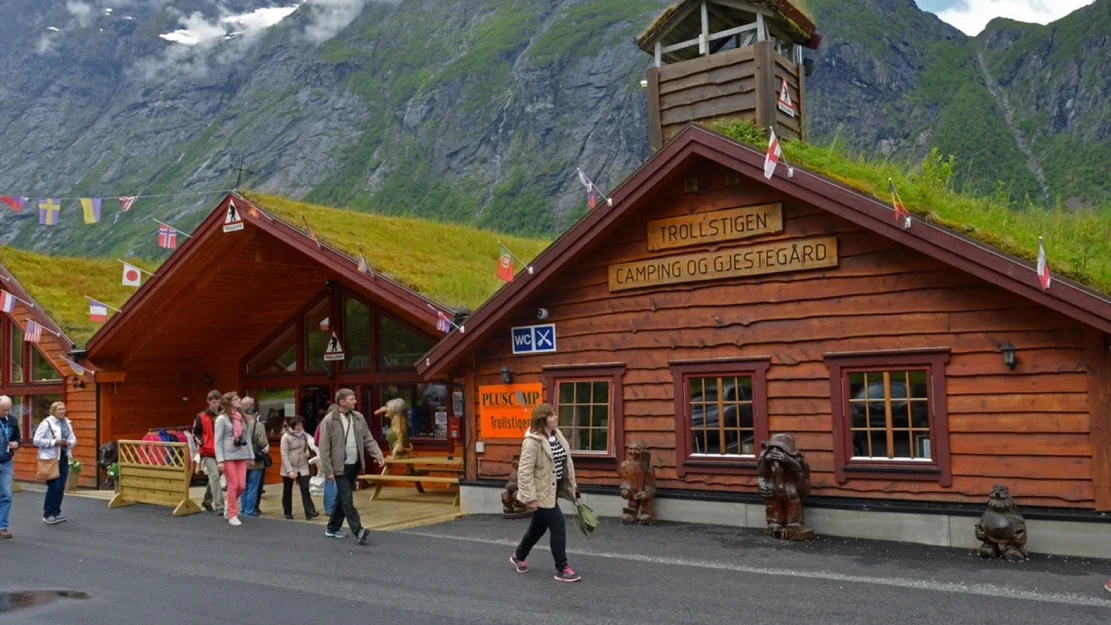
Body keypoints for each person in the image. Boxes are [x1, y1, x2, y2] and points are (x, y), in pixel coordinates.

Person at [510, 403, 581, 582]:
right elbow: (524, 471)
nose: (555, 417)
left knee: (538, 528)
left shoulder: (557, 435)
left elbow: (566, 463)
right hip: (540, 492)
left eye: (555, 414)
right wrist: (530, 498)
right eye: (551, 415)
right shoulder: (532, 441)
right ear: (542, 419)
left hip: (553, 489)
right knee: (558, 526)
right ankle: (562, 568)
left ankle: (519, 555)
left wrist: (572, 487)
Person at [318, 389, 384, 544]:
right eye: (351, 399)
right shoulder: (329, 420)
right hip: (339, 466)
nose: (355, 401)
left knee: (342, 498)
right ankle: (358, 530)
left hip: (353, 464)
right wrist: (328, 470)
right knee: (347, 499)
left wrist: (378, 455)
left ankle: (332, 528)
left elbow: (368, 439)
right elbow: (324, 447)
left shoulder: (358, 417)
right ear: (342, 402)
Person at [214, 392, 254, 527]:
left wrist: (250, 456)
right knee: (233, 484)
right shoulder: (222, 419)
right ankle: (232, 514)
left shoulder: (242, 418)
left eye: (239, 398)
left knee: (241, 485)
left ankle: (229, 503)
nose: (239, 400)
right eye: (236, 399)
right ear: (228, 402)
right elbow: (218, 441)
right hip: (228, 456)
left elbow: (247, 438)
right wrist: (220, 460)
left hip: (241, 454)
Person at [34, 401, 77, 525]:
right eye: (59, 409)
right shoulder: (46, 423)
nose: (62, 411)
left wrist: (70, 443)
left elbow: (73, 438)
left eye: (63, 409)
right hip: (50, 458)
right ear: (53, 411)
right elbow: (36, 440)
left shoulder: (67, 423)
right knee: (54, 486)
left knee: (61, 487)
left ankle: (56, 512)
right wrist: (54, 442)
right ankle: (48, 514)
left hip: (63, 457)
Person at [280, 416, 319, 520]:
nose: (299, 427)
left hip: (302, 465)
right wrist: (289, 471)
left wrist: (307, 451)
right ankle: (287, 512)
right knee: (287, 490)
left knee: (305, 488)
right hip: (290, 466)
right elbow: (284, 454)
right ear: (292, 426)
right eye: (297, 425)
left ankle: (309, 511)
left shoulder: (304, 435)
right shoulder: (285, 437)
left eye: (301, 425)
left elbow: (307, 445)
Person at [192, 390, 223, 515]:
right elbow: (196, 432)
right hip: (207, 451)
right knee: (214, 476)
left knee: (215, 478)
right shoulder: (201, 416)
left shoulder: (224, 414)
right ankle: (220, 506)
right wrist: (201, 442)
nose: (215, 404)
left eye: (217, 401)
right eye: (213, 402)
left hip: (222, 451)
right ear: (208, 401)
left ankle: (206, 501)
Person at [239, 397, 269, 517]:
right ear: (256, 414)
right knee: (253, 486)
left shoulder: (241, 424)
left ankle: (243, 509)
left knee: (244, 486)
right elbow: (263, 442)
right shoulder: (259, 425)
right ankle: (249, 510)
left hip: (242, 459)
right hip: (256, 460)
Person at [0, 395, 21, 539]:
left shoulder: (12, 420)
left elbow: (17, 438)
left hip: (6, 462)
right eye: (3, 410)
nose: (6, 412)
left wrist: (16, 444)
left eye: (8, 409)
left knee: (6, 495)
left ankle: (2, 527)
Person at [314, 403, 338, 516]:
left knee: (329, 480)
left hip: (325, 454)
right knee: (337, 480)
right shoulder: (338, 424)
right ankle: (335, 507)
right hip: (337, 454)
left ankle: (329, 508)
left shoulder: (321, 424)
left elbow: (315, 440)